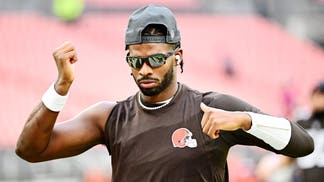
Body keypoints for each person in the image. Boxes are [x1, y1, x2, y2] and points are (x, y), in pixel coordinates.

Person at [15, 4, 314, 182]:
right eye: (136, 60)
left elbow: (303, 144)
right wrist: (60, 88)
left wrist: (246, 121)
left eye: (156, 59)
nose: (145, 69)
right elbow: (30, 149)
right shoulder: (110, 117)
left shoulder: (211, 109)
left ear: (178, 56)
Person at [295, 80, 324, 182]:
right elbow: (289, 156)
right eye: (318, 95)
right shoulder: (302, 122)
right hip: (305, 176)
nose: (320, 99)